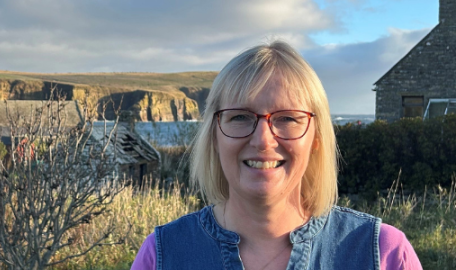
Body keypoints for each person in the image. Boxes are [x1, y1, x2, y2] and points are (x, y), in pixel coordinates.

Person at [130, 41, 421, 270]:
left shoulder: (382, 254)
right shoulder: (163, 255)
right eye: (240, 116)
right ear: (214, 136)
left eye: (287, 118)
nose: (263, 140)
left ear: (316, 137)